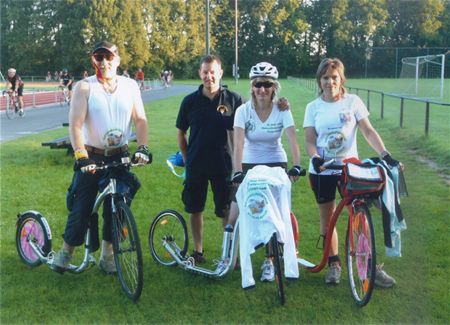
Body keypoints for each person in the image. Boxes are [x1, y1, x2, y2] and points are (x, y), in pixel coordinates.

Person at [50, 41, 151, 275]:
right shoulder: (85, 87)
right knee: (81, 206)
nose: (103, 62)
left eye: (108, 57)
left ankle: (108, 255)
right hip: (92, 156)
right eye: (98, 58)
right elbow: (75, 124)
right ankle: (66, 252)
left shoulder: (130, 86)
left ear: (117, 60)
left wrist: (143, 148)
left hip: (120, 156)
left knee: (117, 206)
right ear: (93, 61)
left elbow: (141, 120)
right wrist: (80, 155)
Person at [303, 57, 403, 287]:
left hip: (350, 169)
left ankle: (370, 265)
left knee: (359, 218)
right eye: (325, 77)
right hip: (322, 171)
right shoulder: (313, 107)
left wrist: (385, 154)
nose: (330, 82)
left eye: (334, 77)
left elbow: (368, 131)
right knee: (327, 218)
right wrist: (315, 158)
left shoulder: (353, 102)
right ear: (320, 80)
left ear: (341, 78)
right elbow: (309, 140)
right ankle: (334, 264)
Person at [229, 62, 303, 282]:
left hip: (275, 162)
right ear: (252, 87)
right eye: (258, 84)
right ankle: (230, 257)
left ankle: (270, 260)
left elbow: (292, 139)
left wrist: (296, 164)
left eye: (267, 85)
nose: (262, 89)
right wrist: (237, 171)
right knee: (235, 213)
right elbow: (239, 144)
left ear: (274, 87)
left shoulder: (282, 110)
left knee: (274, 214)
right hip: (250, 164)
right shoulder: (243, 111)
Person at [176, 54, 243, 264]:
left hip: (224, 166)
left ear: (220, 73)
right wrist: (187, 159)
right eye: (205, 72)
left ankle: (229, 255)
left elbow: (258, 110)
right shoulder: (190, 101)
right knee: (195, 209)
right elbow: (181, 132)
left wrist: (280, 103)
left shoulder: (234, 100)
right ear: (200, 74)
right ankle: (198, 251)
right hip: (196, 165)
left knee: (226, 212)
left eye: (213, 72)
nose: (209, 76)